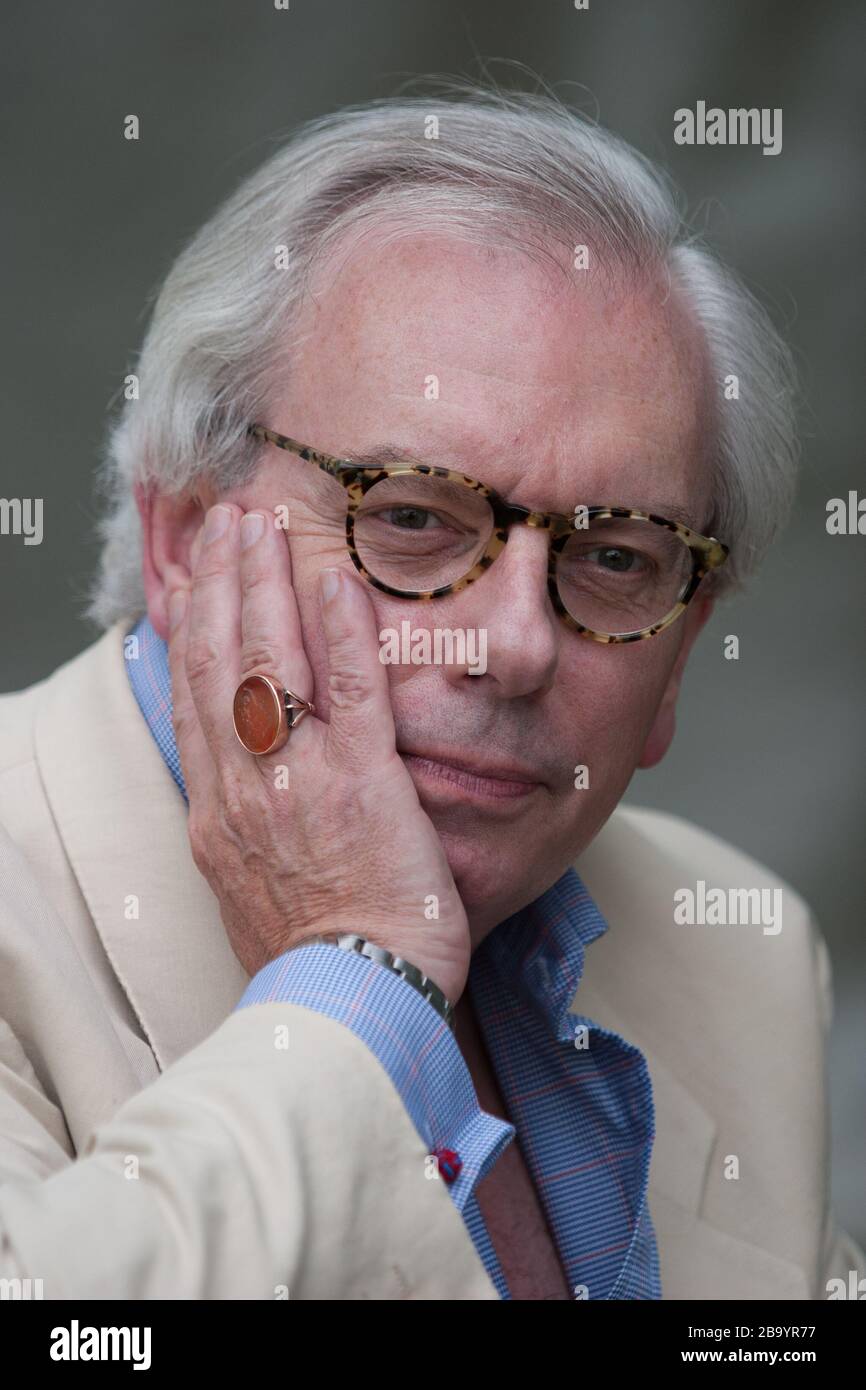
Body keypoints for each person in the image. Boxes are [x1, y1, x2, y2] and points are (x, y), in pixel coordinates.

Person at [0, 84, 861, 1301]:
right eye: (409, 517)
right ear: (184, 537)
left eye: (615, 557)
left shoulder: (743, 952)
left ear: (678, 653)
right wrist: (357, 977)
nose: (514, 644)